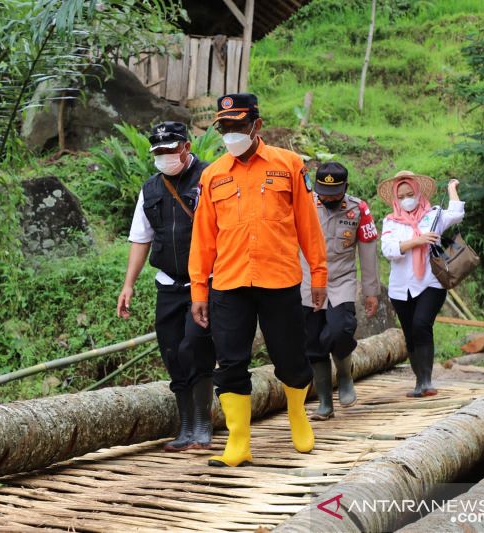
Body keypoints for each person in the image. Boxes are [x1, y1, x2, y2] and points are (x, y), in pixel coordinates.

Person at [188, 93, 328, 467]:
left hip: (279, 279)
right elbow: (203, 237)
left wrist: (318, 275)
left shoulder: (289, 166)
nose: (231, 133)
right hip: (229, 284)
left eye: (238, 125)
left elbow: (308, 226)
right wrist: (199, 289)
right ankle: (238, 442)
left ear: (257, 126)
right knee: (230, 363)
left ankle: (298, 417)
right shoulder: (212, 174)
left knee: (290, 357)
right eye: (225, 127)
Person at [117, 121, 216, 451]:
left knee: (196, 347)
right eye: (157, 152)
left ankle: (203, 422)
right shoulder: (151, 189)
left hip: (204, 284)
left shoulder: (210, 178)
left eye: (169, 150)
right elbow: (140, 238)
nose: (163, 157)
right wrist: (128, 285)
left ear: (185, 147)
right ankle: (185, 424)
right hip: (168, 285)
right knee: (173, 352)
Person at [300, 161, 380, 420]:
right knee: (313, 342)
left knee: (341, 330)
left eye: (335, 193)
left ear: (346, 187)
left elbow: (368, 252)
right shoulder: (304, 204)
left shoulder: (359, 209)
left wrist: (371, 291)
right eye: (324, 192)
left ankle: (345, 375)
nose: (329, 197)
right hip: (308, 282)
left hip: (341, 281)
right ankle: (325, 403)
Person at [378, 170, 463, 397]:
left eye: (410, 193)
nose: (407, 199)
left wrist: (452, 189)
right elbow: (389, 250)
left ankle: (426, 381)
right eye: (402, 195)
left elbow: (456, 213)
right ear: (396, 199)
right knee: (410, 332)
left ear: (417, 192)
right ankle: (418, 382)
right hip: (401, 287)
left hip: (431, 282)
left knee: (421, 325)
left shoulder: (433, 214)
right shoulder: (390, 221)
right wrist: (417, 241)